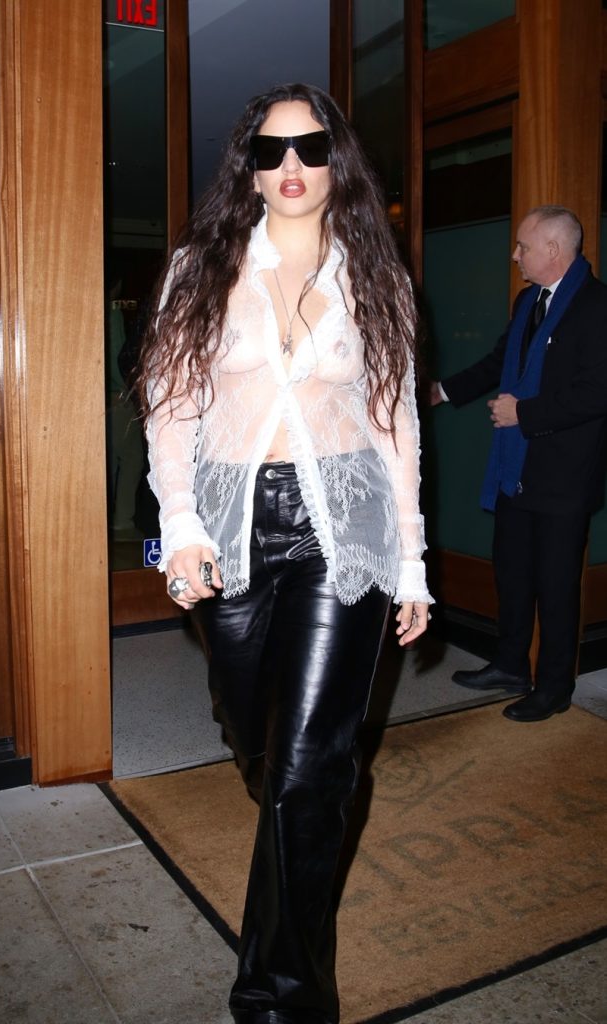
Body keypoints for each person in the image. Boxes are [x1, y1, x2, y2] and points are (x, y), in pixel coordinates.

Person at [137, 82, 432, 1024]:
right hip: (231, 523)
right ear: (250, 170)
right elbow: (170, 407)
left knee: (309, 767)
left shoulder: (375, 274)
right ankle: (298, 798)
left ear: (338, 161)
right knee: (258, 739)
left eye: (310, 148)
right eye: (271, 152)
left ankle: (279, 1000)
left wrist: (412, 560)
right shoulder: (200, 269)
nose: (292, 166)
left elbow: (395, 425)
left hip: (344, 522)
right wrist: (181, 524)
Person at [431, 206, 607, 723]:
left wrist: (523, 414)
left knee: (555, 586)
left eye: (523, 246)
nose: (515, 256)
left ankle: (554, 688)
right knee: (512, 574)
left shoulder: (598, 306)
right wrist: (443, 391)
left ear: (553, 249)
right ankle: (510, 665)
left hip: (563, 475)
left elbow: (597, 392)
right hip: (517, 469)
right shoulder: (528, 301)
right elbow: (499, 360)